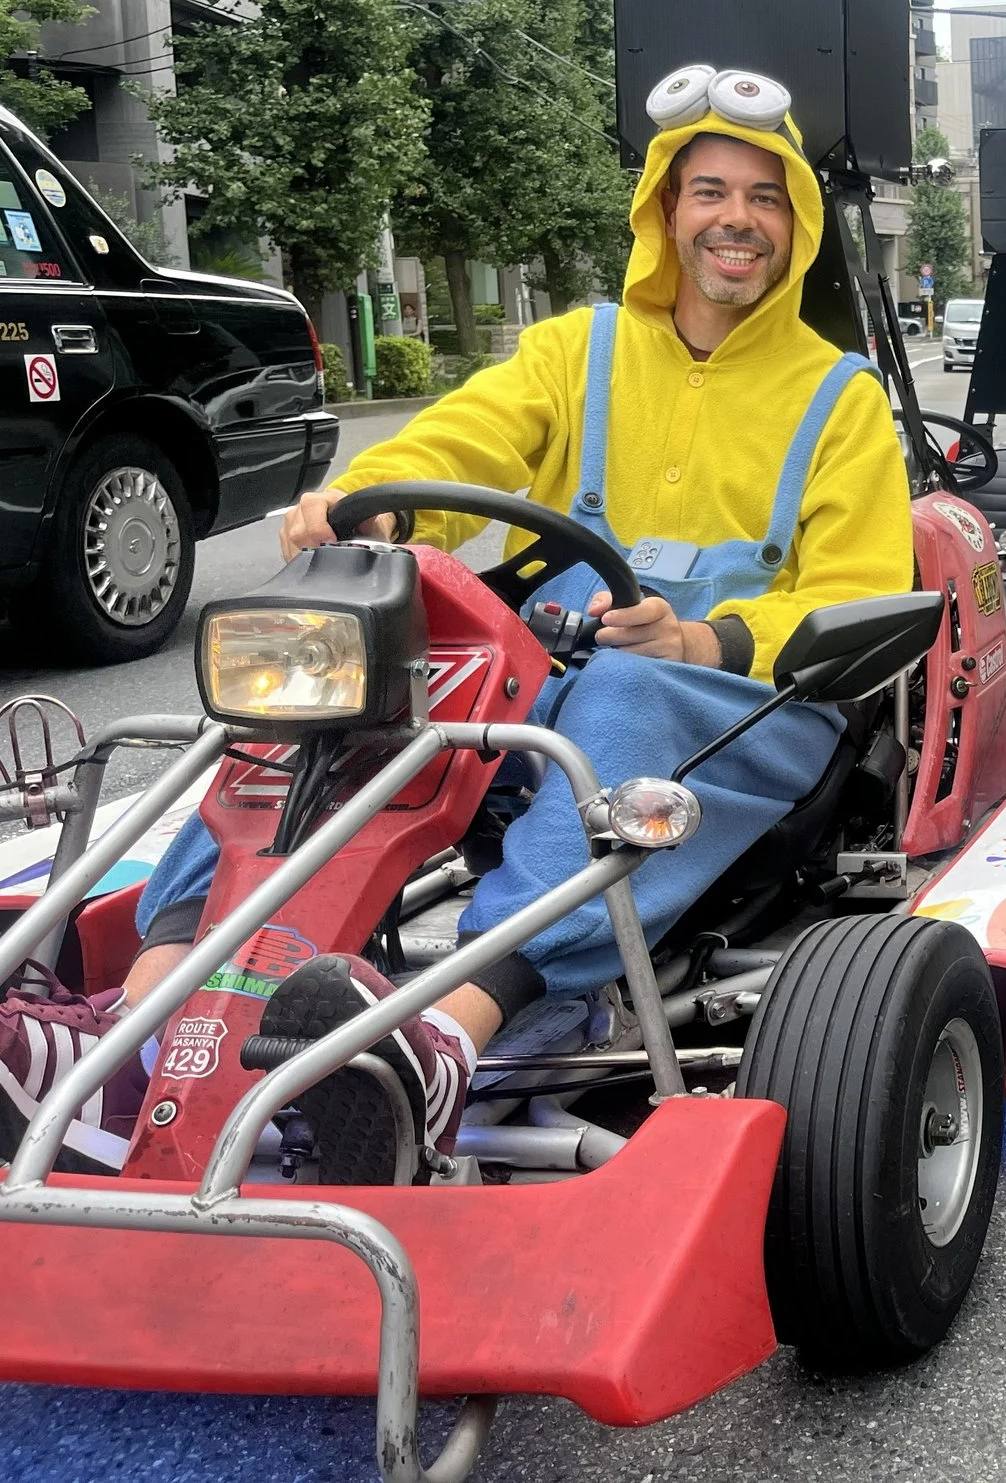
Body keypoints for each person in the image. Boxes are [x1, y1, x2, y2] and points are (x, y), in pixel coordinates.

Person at [1, 69, 913, 1181]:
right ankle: (131, 1036)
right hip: (549, 685)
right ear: (665, 213)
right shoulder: (578, 354)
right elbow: (461, 440)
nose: (736, 220)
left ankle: (448, 1038)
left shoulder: (841, 397)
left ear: (795, 226)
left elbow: (857, 588)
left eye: (765, 200)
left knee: (625, 694)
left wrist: (700, 640)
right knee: (323, 681)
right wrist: (373, 495)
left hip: (744, 704)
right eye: (709, 191)